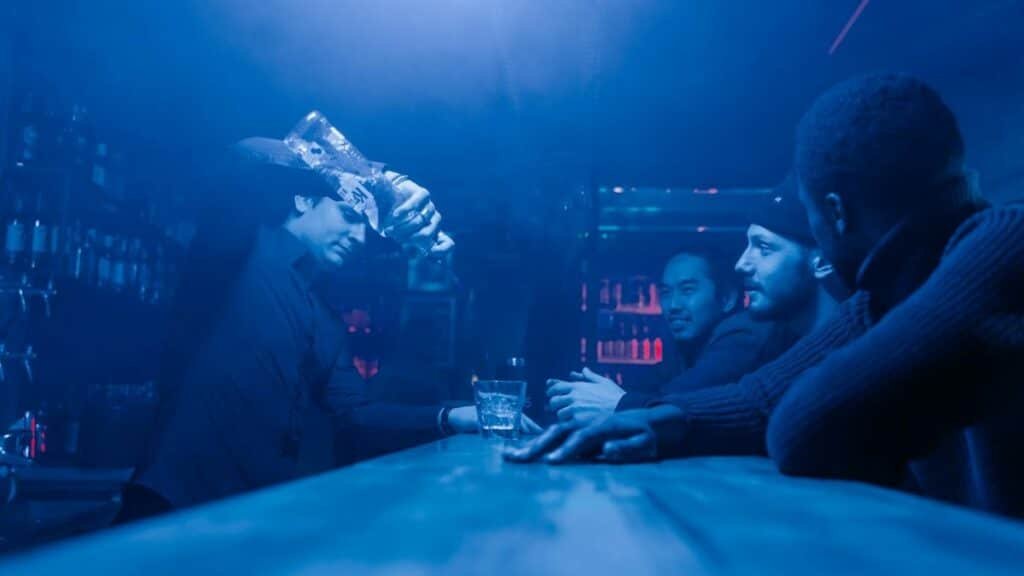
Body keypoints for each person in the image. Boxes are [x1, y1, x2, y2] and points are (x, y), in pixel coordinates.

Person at [508, 74, 1024, 518]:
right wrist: (662, 421)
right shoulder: (892, 291)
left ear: (836, 214)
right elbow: (760, 399)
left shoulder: (1007, 247)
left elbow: (804, 426)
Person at [123, 137, 532, 516]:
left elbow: (356, 416)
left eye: (365, 227)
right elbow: (246, 155)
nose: (359, 237)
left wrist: (455, 416)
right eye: (349, 216)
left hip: (246, 515)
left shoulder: (323, 316)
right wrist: (385, 182)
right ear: (303, 200)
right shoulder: (237, 250)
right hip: (168, 503)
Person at [543, 175, 838, 425]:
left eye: (763, 248)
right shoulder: (692, 347)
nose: (742, 264)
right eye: (666, 291)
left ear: (822, 260)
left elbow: (744, 410)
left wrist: (621, 406)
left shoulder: (749, 332)